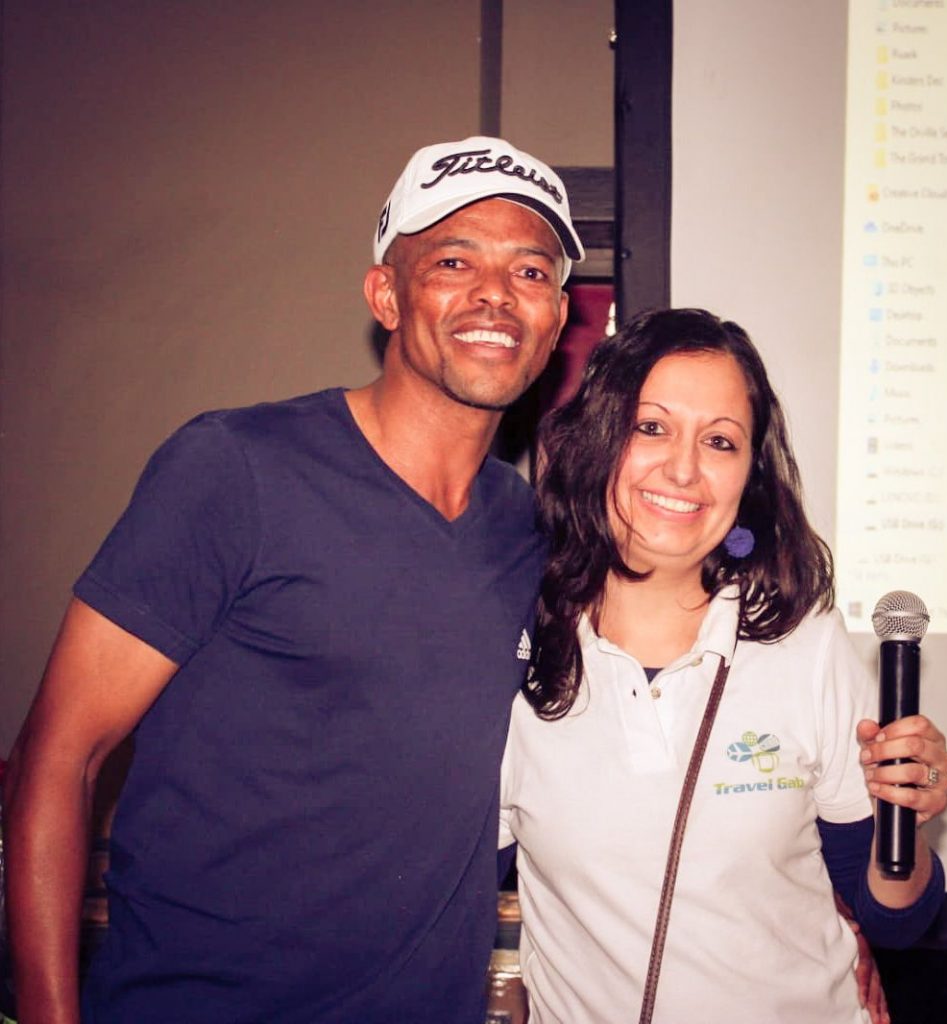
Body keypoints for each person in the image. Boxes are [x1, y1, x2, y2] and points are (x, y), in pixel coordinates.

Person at [2, 136, 583, 1024]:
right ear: (386, 295)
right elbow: (58, 755)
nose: (496, 294)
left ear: (557, 317)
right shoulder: (236, 469)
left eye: (531, 271)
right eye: (453, 261)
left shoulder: (531, 531)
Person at [500, 308, 947, 1023]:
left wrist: (908, 823)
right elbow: (447, 898)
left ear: (750, 474)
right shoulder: (513, 654)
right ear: (596, 440)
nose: (683, 469)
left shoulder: (805, 642)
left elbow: (893, 918)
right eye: (651, 427)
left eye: (720, 441)